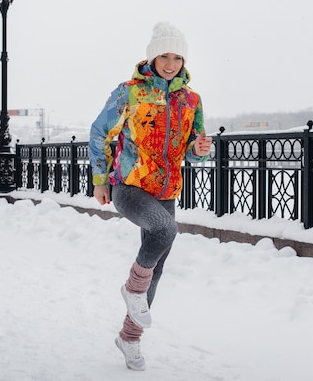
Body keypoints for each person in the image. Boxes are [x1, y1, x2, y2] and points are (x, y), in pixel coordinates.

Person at [89, 21, 212, 371]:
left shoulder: (192, 100)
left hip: (166, 190)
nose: (171, 63)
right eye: (164, 56)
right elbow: (100, 133)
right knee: (164, 231)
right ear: (152, 57)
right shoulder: (130, 91)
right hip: (130, 185)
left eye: (177, 57)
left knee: (155, 270)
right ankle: (131, 288)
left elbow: (193, 149)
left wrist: (200, 149)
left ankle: (129, 339)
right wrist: (101, 180)